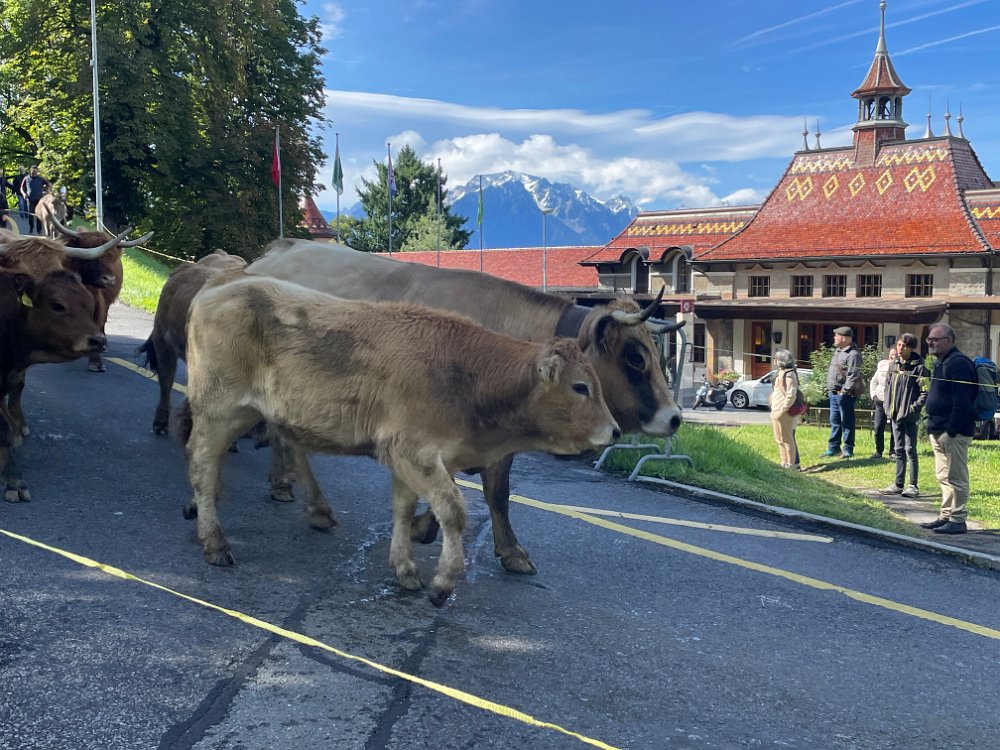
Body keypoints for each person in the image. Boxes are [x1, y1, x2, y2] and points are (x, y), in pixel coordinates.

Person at [921, 323, 977, 535]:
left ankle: (958, 519)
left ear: (949, 341)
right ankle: (946, 516)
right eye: (929, 339)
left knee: (957, 477)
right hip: (938, 429)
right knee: (943, 476)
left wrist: (951, 431)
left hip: (954, 432)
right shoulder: (942, 362)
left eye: (935, 339)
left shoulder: (959, 363)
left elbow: (962, 402)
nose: (930, 343)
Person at [881, 334, 927, 499]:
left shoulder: (919, 368)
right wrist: (887, 406)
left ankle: (913, 485)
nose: (900, 348)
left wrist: (913, 409)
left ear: (911, 348)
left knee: (910, 450)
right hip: (894, 414)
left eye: (904, 346)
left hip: (909, 416)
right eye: (899, 345)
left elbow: (925, 392)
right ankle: (898, 484)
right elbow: (887, 387)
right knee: (898, 449)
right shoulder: (893, 365)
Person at [821, 325, 863, 459]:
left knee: (847, 422)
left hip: (844, 395)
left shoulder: (853, 354)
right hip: (833, 393)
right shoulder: (838, 351)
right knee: (835, 421)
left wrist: (844, 391)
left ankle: (848, 449)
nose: (834, 338)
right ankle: (833, 447)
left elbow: (853, 375)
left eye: (836, 336)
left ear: (844, 338)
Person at [769, 348, 802, 470]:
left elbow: (791, 394)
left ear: (781, 360)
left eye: (776, 358)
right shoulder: (779, 372)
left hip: (784, 411)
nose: (774, 360)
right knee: (779, 439)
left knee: (787, 439)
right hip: (775, 409)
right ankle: (783, 462)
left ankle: (792, 464)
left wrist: (784, 408)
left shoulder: (789, 374)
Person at [869, 348, 897, 459]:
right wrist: (874, 395)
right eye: (891, 354)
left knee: (894, 428)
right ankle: (878, 451)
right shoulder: (881, 367)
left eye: (894, 354)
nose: (892, 356)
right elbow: (873, 381)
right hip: (880, 401)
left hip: (893, 401)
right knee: (878, 427)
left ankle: (892, 452)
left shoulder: (900, 368)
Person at [20, 165, 51, 235]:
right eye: (32, 172)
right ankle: (31, 228)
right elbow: (21, 188)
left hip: (39, 199)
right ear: (30, 171)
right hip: (30, 199)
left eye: (35, 172)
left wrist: (46, 191)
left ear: (37, 172)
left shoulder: (40, 178)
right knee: (30, 215)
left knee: (39, 215)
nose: (34, 173)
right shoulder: (26, 178)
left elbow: (48, 184)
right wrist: (24, 194)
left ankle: (39, 231)